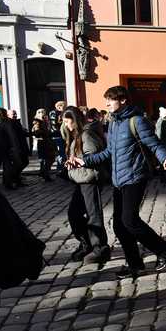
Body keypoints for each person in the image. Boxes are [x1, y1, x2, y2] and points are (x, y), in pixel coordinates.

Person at [67, 86, 166, 280]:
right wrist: (85, 160)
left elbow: (154, 144)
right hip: (118, 180)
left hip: (135, 177)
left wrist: (165, 158)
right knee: (118, 226)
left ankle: (162, 247)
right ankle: (135, 265)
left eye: (111, 99)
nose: (107, 103)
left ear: (123, 100)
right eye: (106, 99)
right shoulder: (114, 123)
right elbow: (109, 152)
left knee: (129, 220)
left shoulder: (137, 121)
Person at [63, 106, 111, 266]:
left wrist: (79, 162)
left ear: (75, 120)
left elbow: (94, 156)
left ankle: (100, 248)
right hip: (80, 179)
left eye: (68, 121)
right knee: (74, 214)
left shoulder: (86, 134)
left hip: (89, 179)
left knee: (93, 214)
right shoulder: (75, 135)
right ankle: (87, 243)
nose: (66, 125)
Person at [31, 108, 56, 181]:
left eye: (43, 112)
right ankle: (45, 174)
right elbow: (36, 134)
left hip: (48, 142)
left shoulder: (46, 121)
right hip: (43, 143)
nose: (41, 113)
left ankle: (44, 173)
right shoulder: (37, 122)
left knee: (49, 159)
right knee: (48, 159)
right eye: (39, 112)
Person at [6, 109, 29, 187]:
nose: (15, 115)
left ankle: (16, 179)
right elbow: (12, 137)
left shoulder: (17, 122)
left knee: (25, 162)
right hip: (16, 147)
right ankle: (14, 179)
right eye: (13, 114)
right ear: (8, 115)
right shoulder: (9, 124)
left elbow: (22, 133)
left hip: (22, 146)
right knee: (19, 164)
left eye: (15, 113)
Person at [155, 107, 166, 183]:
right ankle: (164, 178)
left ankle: (165, 178)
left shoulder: (163, 121)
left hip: (165, 145)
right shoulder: (162, 122)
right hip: (164, 145)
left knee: (163, 162)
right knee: (163, 162)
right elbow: (159, 135)